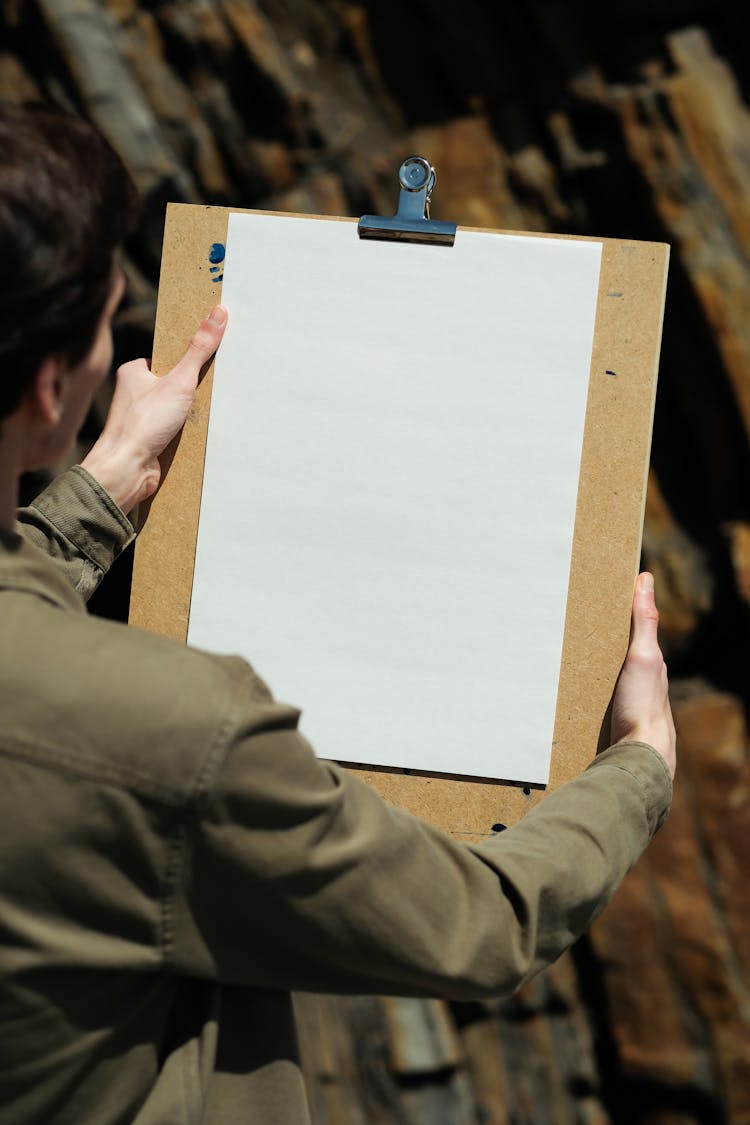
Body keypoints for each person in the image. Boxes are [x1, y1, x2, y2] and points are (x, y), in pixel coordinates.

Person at [0, 101, 676, 1125]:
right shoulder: (176, 732)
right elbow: (482, 924)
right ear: (52, 388)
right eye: (109, 326)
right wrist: (640, 764)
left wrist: (95, 497)